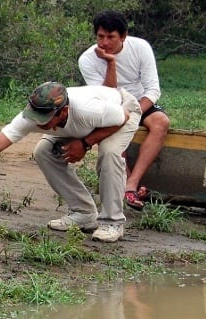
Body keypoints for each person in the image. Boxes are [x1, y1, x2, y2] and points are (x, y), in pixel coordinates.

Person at [0, 82, 141, 243]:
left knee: (110, 153)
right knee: (43, 151)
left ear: (63, 111)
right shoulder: (32, 116)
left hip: (122, 109)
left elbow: (122, 117)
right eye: (35, 116)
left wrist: (85, 143)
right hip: (81, 125)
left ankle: (112, 222)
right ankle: (84, 213)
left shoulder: (89, 110)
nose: (37, 122)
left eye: (44, 119)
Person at [78, 10, 170, 210]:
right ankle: (124, 186)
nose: (104, 43)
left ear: (123, 36)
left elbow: (153, 89)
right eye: (100, 37)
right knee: (114, 130)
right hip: (111, 104)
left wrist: (134, 116)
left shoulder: (140, 47)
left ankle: (132, 183)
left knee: (161, 122)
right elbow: (106, 96)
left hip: (139, 101)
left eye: (110, 37)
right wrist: (110, 62)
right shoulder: (87, 59)